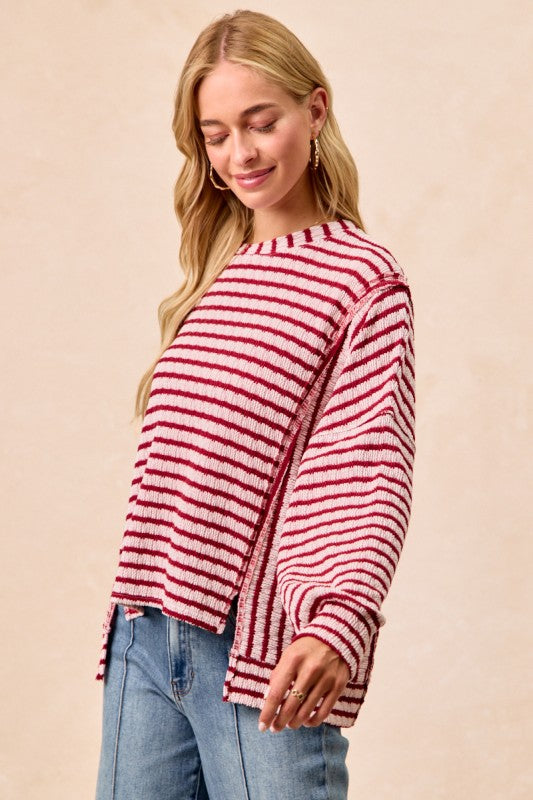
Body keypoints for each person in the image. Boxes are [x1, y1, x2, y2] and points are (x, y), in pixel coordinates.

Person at [94, 9, 416, 800]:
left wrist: (336, 619)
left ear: (315, 110)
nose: (239, 153)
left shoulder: (361, 281)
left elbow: (365, 467)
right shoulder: (218, 272)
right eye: (215, 135)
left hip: (257, 652)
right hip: (144, 632)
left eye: (260, 123)